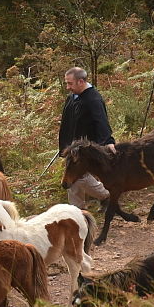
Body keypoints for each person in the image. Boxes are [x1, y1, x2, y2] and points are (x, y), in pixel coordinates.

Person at [58, 66, 114, 209]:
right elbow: (67, 122)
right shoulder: (72, 98)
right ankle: (78, 210)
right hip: (73, 147)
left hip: (86, 149)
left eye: (70, 83)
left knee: (79, 178)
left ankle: (106, 196)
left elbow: (101, 121)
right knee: (75, 178)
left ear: (81, 82)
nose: (67, 87)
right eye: (67, 83)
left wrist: (107, 142)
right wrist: (65, 145)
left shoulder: (93, 99)